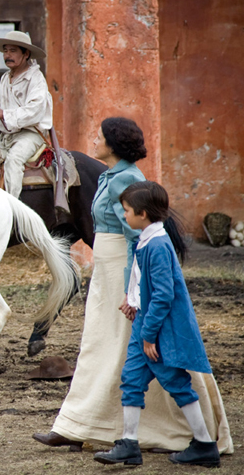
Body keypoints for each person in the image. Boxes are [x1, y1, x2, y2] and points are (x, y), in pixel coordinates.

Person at [32, 117, 232, 453]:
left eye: (100, 136)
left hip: (121, 272)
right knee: (100, 346)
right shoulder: (112, 174)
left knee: (119, 348)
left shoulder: (126, 178)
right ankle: (78, 424)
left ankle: (178, 431)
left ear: (112, 144)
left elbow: (134, 240)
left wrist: (131, 289)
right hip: (108, 268)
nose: (95, 140)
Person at [93, 181, 221, 468]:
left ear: (142, 214)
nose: (123, 214)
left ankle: (204, 444)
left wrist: (149, 335)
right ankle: (128, 444)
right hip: (145, 325)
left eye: (126, 210)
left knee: (176, 382)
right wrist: (133, 302)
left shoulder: (158, 245)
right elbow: (146, 283)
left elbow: (164, 295)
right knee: (132, 380)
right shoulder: (148, 239)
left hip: (158, 330)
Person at [0, 31, 53, 198]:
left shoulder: (36, 78)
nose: (7, 55)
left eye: (13, 51)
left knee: (14, 160)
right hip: (7, 136)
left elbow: (34, 110)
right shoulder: (6, 77)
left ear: (25, 53)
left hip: (31, 135)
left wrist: (3, 114)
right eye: (5, 51)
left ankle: (12, 207)